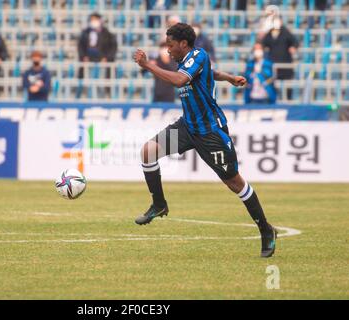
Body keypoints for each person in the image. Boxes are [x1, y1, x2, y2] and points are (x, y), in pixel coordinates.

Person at [133, 23, 278, 258]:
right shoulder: (186, 61)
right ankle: (159, 204)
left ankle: (266, 229)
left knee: (235, 183)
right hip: (187, 127)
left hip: (210, 132)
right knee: (148, 151)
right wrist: (229, 77)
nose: (168, 50)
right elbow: (210, 73)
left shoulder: (198, 54)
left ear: (183, 44)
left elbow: (180, 81)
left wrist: (148, 64)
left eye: (171, 46)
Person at [262, 18, 298, 100]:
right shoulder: (269, 33)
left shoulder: (285, 32)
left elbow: (295, 42)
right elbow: (263, 43)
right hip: (273, 63)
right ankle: (273, 99)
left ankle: (288, 99)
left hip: (285, 62)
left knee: (287, 83)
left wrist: (293, 47)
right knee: (272, 83)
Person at [77, 13, 117, 77]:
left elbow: (113, 47)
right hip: (88, 58)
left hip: (103, 58)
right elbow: (80, 46)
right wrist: (83, 56)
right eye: (92, 20)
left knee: (108, 70)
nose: (93, 21)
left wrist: (107, 58)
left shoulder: (107, 34)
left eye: (95, 19)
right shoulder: (85, 33)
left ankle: (106, 86)